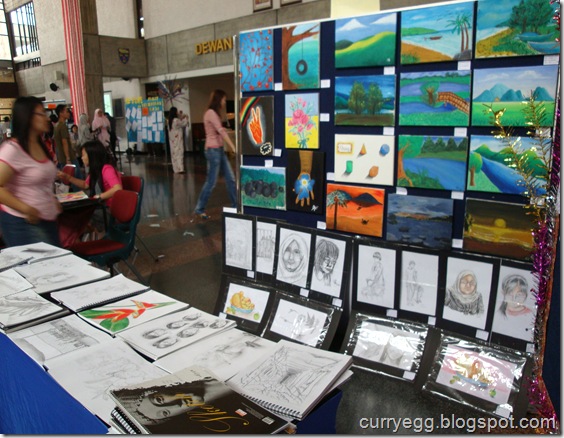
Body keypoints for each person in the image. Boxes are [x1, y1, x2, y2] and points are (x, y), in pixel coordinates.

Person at [0, 96, 61, 247]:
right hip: (23, 221)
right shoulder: (12, 149)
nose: (46, 118)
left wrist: (51, 199)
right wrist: (25, 208)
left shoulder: (40, 145)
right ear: (27, 117)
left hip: (47, 217)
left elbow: (41, 181)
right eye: (41, 114)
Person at [57, 140, 122, 238]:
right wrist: (68, 177)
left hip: (109, 211)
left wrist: (99, 196)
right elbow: (85, 185)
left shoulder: (106, 169)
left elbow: (117, 188)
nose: (82, 158)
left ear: (92, 155)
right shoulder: (96, 170)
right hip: (101, 208)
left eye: (83, 155)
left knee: (74, 221)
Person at [193, 89, 237, 220]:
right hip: (213, 151)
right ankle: (199, 208)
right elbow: (221, 131)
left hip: (219, 150)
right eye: (223, 99)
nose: (224, 102)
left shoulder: (214, 113)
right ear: (218, 99)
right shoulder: (211, 113)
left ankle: (236, 206)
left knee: (231, 179)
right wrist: (233, 147)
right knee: (211, 182)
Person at [167, 106, 189, 174]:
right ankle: (180, 169)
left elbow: (179, 122)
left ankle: (175, 169)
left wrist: (181, 117)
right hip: (178, 140)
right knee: (179, 153)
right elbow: (183, 123)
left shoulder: (169, 121)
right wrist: (186, 117)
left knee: (174, 155)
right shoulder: (176, 120)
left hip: (172, 141)